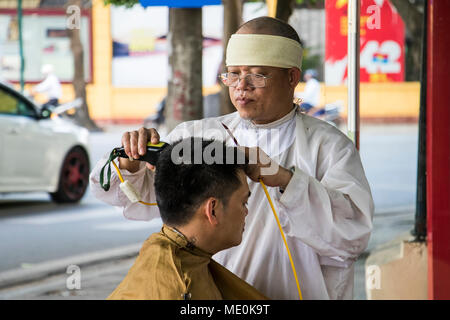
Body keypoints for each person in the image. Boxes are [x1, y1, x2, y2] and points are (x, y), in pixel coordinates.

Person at [90, 16, 374, 300]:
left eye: (257, 75)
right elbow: (132, 198)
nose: (241, 86)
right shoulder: (199, 135)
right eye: (233, 74)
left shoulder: (328, 146)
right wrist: (130, 164)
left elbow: (352, 236)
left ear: (292, 78)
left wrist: (289, 181)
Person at [107, 138, 267, 300]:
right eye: (243, 202)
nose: (246, 212)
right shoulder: (182, 290)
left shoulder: (170, 253)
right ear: (213, 210)